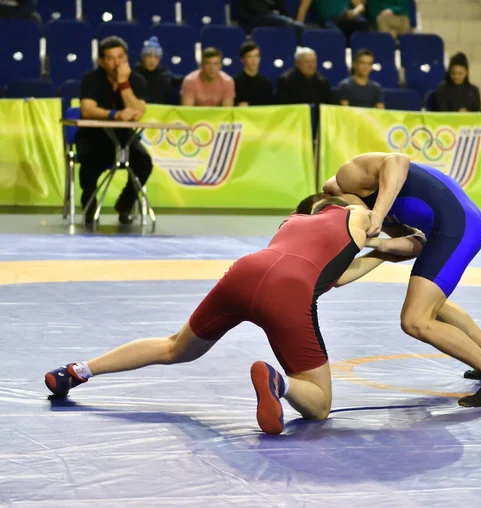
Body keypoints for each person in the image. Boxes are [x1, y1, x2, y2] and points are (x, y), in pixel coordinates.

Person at [44, 197, 422, 434]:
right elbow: (406, 244)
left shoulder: (292, 223)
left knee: (176, 346)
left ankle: (76, 371)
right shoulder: (356, 213)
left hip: (246, 272)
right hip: (289, 291)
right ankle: (278, 383)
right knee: (320, 405)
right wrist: (416, 238)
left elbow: (341, 274)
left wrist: (378, 252)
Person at [322, 152, 481, 406]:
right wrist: (378, 244)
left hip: (457, 226)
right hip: (451, 227)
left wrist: (379, 216)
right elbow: (416, 245)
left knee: (415, 320)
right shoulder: (371, 210)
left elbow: (397, 160)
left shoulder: (348, 177)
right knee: (429, 305)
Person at [77, 36, 152, 226]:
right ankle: (90, 208)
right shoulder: (91, 78)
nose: (116, 63)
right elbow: (87, 109)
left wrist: (124, 83)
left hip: (124, 140)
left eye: (121, 57)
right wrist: (114, 115)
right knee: (89, 167)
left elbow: (137, 113)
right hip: (95, 138)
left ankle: (124, 205)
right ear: (101, 61)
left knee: (144, 163)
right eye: (110, 58)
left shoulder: (137, 80)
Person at [297, 0, 368, 43]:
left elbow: (360, 6)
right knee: (335, 34)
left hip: (345, 17)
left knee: (363, 24)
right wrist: (298, 31)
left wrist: (355, 12)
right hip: (327, 20)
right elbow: (303, 9)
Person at [239, 0, 304, 44]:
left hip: (272, 17)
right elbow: (255, 8)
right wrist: (273, 13)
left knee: (298, 27)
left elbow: (283, 10)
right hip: (252, 19)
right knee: (296, 26)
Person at [134, 36, 173, 105]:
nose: (152, 61)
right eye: (149, 56)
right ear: (143, 58)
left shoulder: (165, 77)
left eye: (156, 57)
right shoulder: (134, 75)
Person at [233, 40, 273, 106]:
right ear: (242, 60)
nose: (253, 60)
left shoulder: (266, 83)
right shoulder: (234, 82)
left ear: (260, 58)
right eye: (249, 56)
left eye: (256, 56)